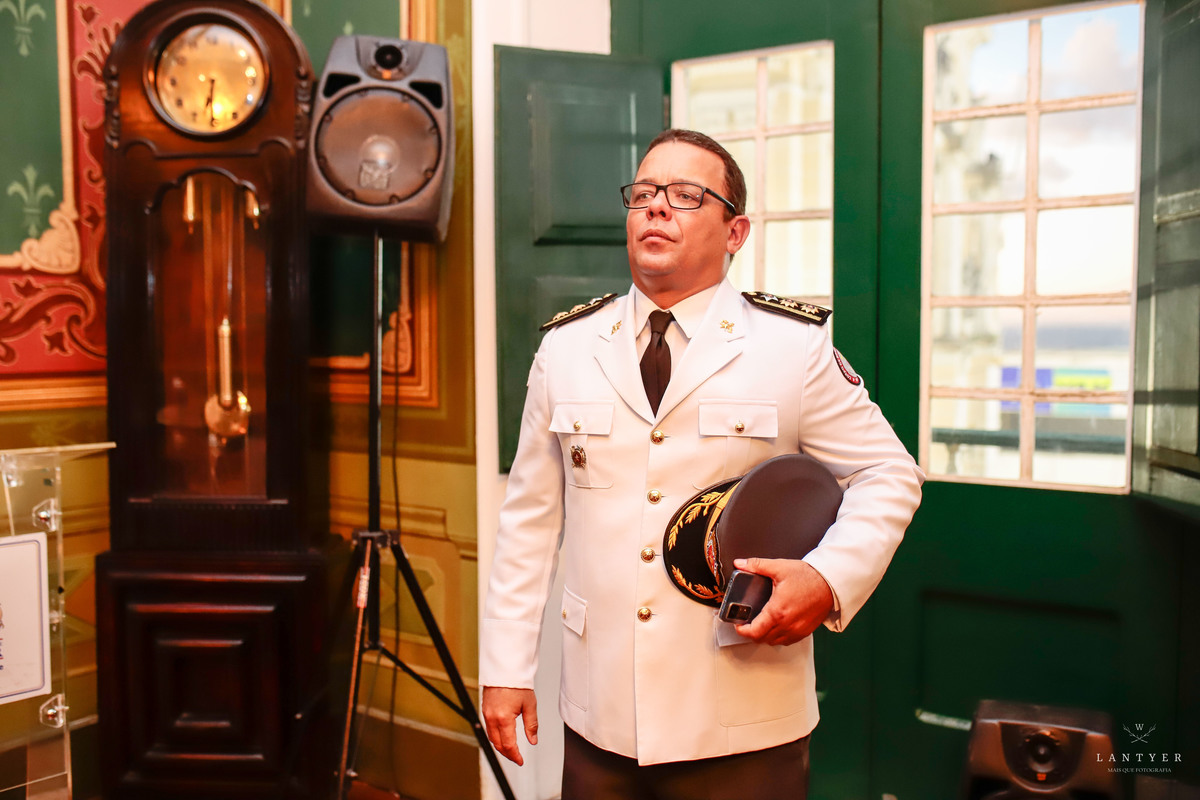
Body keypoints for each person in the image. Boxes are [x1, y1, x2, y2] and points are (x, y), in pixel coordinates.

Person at [480, 128, 923, 799]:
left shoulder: (790, 349)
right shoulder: (566, 350)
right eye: (645, 193)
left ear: (735, 230)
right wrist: (506, 668)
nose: (657, 208)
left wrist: (828, 579)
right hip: (602, 713)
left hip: (740, 716)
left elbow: (889, 475)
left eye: (687, 196)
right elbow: (529, 523)